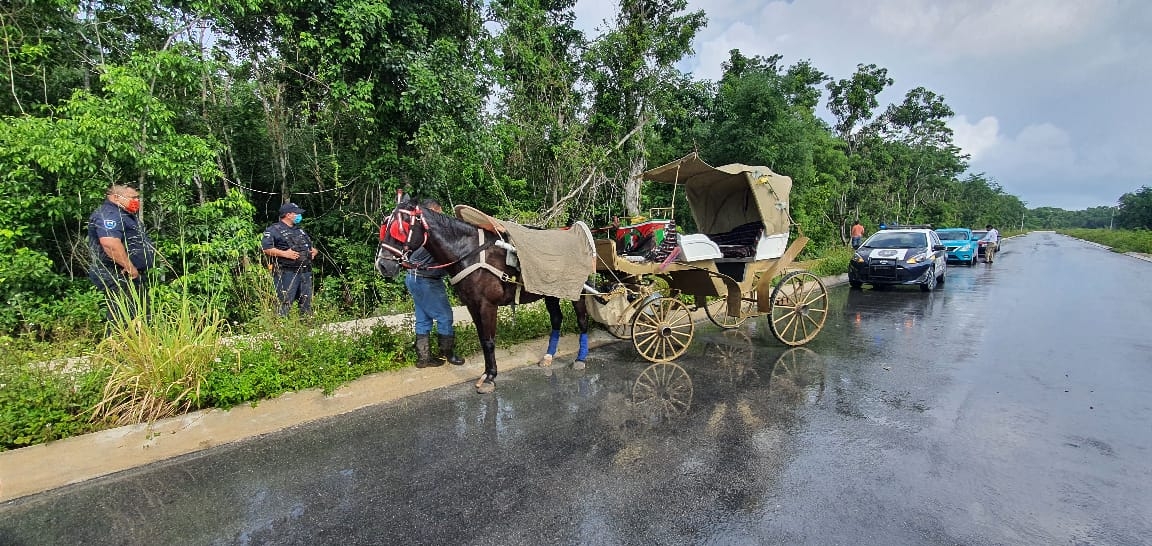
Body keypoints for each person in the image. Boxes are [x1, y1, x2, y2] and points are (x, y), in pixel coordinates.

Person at [403, 199, 464, 368]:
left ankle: (424, 358)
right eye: (439, 212)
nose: (442, 216)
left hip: (413, 278)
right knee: (445, 316)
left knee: (423, 319)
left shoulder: (417, 231)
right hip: (426, 280)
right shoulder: (434, 234)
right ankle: (448, 354)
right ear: (431, 212)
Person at [87, 185, 156, 327]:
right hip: (117, 273)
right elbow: (110, 244)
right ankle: (116, 347)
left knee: (141, 316)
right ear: (116, 197)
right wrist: (130, 267)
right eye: (133, 198)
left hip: (130, 275)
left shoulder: (125, 215)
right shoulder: (109, 214)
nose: (137, 201)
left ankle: (140, 347)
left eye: (138, 198)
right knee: (124, 318)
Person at [262, 202, 318, 317]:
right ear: (288, 215)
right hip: (286, 273)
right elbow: (266, 249)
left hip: (305, 271)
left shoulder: (299, 230)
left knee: (306, 304)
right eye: (296, 214)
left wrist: (314, 251)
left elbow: (307, 245)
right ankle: (282, 328)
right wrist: (284, 254)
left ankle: (307, 327)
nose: (299, 216)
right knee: (285, 303)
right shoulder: (273, 230)